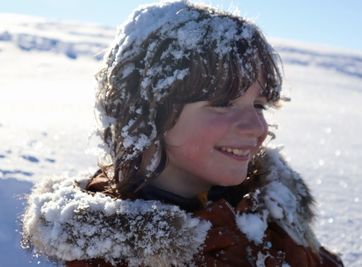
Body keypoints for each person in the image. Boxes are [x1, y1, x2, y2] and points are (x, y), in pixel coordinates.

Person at [22, 1, 344, 266]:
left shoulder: (271, 213)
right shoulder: (107, 255)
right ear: (146, 114)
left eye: (259, 105)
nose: (258, 129)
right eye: (223, 102)